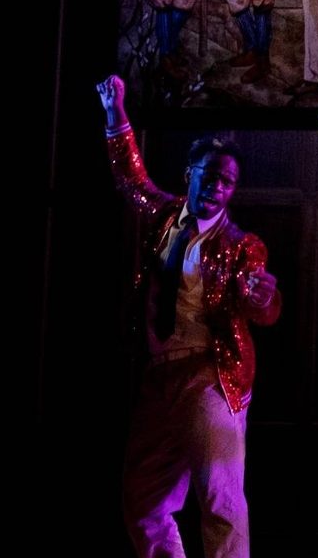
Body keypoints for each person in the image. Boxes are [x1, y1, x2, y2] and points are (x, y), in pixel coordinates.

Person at [96, 75, 281, 558]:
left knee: (220, 498)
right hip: (159, 376)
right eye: (210, 175)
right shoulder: (162, 219)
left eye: (227, 182)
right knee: (142, 499)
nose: (217, 187)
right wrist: (115, 110)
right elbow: (130, 178)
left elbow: (263, 306)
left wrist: (260, 297)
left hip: (209, 376)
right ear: (190, 173)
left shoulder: (241, 245)